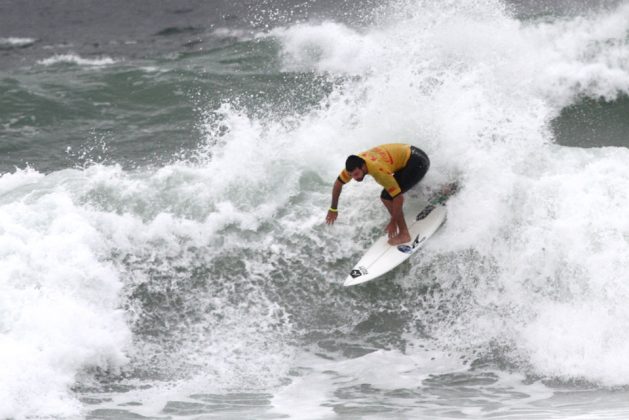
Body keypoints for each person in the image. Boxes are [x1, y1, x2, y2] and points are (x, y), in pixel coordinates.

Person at [325, 143, 430, 245]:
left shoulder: (378, 171)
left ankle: (404, 234)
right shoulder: (354, 165)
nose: (355, 178)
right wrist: (333, 208)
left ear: (363, 167)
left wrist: (393, 221)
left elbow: (398, 198)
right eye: (351, 175)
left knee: (386, 196)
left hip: (418, 162)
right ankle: (437, 190)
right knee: (403, 185)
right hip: (412, 154)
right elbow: (338, 184)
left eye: (356, 174)